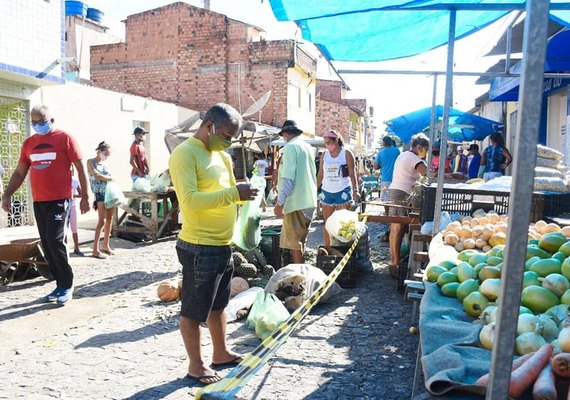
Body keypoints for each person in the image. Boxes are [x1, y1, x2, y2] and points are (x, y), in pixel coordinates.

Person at [169, 103, 258, 385]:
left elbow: (229, 193)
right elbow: (191, 202)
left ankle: (220, 353)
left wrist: (246, 197)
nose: (229, 141)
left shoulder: (223, 156)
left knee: (219, 306)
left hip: (222, 244)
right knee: (194, 311)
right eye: (227, 134)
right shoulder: (185, 154)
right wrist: (234, 194)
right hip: (198, 246)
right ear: (209, 126)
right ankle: (196, 365)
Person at [1, 105, 89, 304]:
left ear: (52, 120)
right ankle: (59, 285)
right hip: (39, 200)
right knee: (47, 244)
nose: (38, 125)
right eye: (34, 122)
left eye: (42, 122)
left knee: (55, 240)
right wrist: (7, 195)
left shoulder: (65, 138)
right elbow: (19, 172)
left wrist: (85, 195)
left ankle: (67, 284)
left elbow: (80, 168)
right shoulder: (29, 143)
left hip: (60, 199)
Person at [274, 120, 317, 264]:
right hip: (309, 200)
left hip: (296, 202)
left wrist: (280, 203)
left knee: (294, 243)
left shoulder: (290, 147)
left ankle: (299, 278)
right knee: (301, 241)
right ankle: (302, 272)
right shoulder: (307, 147)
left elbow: (288, 179)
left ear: (285, 135)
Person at [386, 133, 429, 278]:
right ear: (419, 147)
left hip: (396, 190)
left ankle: (395, 261)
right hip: (401, 192)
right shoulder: (414, 158)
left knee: (396, 228)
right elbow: (427, 174)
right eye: (425, 150)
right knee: (397, 227)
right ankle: (394, 263)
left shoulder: (403, 155)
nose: (425, 153)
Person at [317, 130, 359, 251]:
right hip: (327, 191)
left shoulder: (346, 153)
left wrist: (355, 190)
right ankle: (327, 249)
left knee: (342, 223)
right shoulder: (324, 155)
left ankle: (341, 250)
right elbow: (320, 174)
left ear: (336, 141)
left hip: (343, 191)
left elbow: (352, 173)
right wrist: (314, 189)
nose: (327, 145)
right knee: (328, 223)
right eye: (325, 143)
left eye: (329, 142)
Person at [87, 141, 115, 259]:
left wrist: (108, 178)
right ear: (99, 151)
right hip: (99, 193)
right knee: (101, 221)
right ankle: (95, 249)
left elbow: (109, 177)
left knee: (110, 218)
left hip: (108, 192)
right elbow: (96, 175)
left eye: (108, 154)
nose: (106, 156)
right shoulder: (90, 162)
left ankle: (106, 245)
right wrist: (109, 178)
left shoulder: (105, 165)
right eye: (105, 153)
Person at [374, 136, 400, 202]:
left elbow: (375, 167)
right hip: (397, 178)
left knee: (386, 199)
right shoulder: (397, 151)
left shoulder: (381, 152)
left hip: (385, 179)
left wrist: (383, 165)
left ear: (383, 143)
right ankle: (392, 212)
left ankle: (387, 212)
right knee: (395, 199)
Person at [70, 168, 84, 256]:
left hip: (72, 206)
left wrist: (73, 195)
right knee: (63, 229)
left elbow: (81, 194)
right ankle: (64, 248)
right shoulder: (60, 179)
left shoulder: (75, 181)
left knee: (74, 228)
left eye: (71, 170)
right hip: (63, 206)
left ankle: (77, 248)